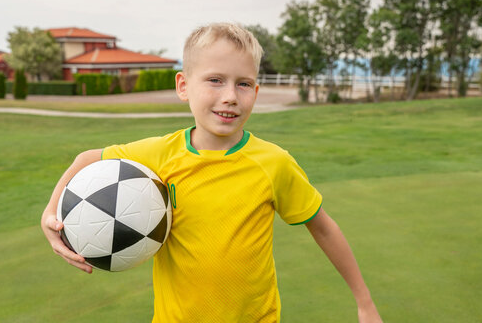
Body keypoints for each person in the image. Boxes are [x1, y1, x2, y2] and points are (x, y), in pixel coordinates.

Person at [41, 23, 382, 323]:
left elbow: (323, 227)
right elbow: (86, 158)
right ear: (184, 86)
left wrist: (364, 302)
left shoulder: (273, 162)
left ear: (256, 92)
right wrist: (51, 213)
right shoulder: (159, 155)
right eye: (215, 80)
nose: (230, 96)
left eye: (244, 84)